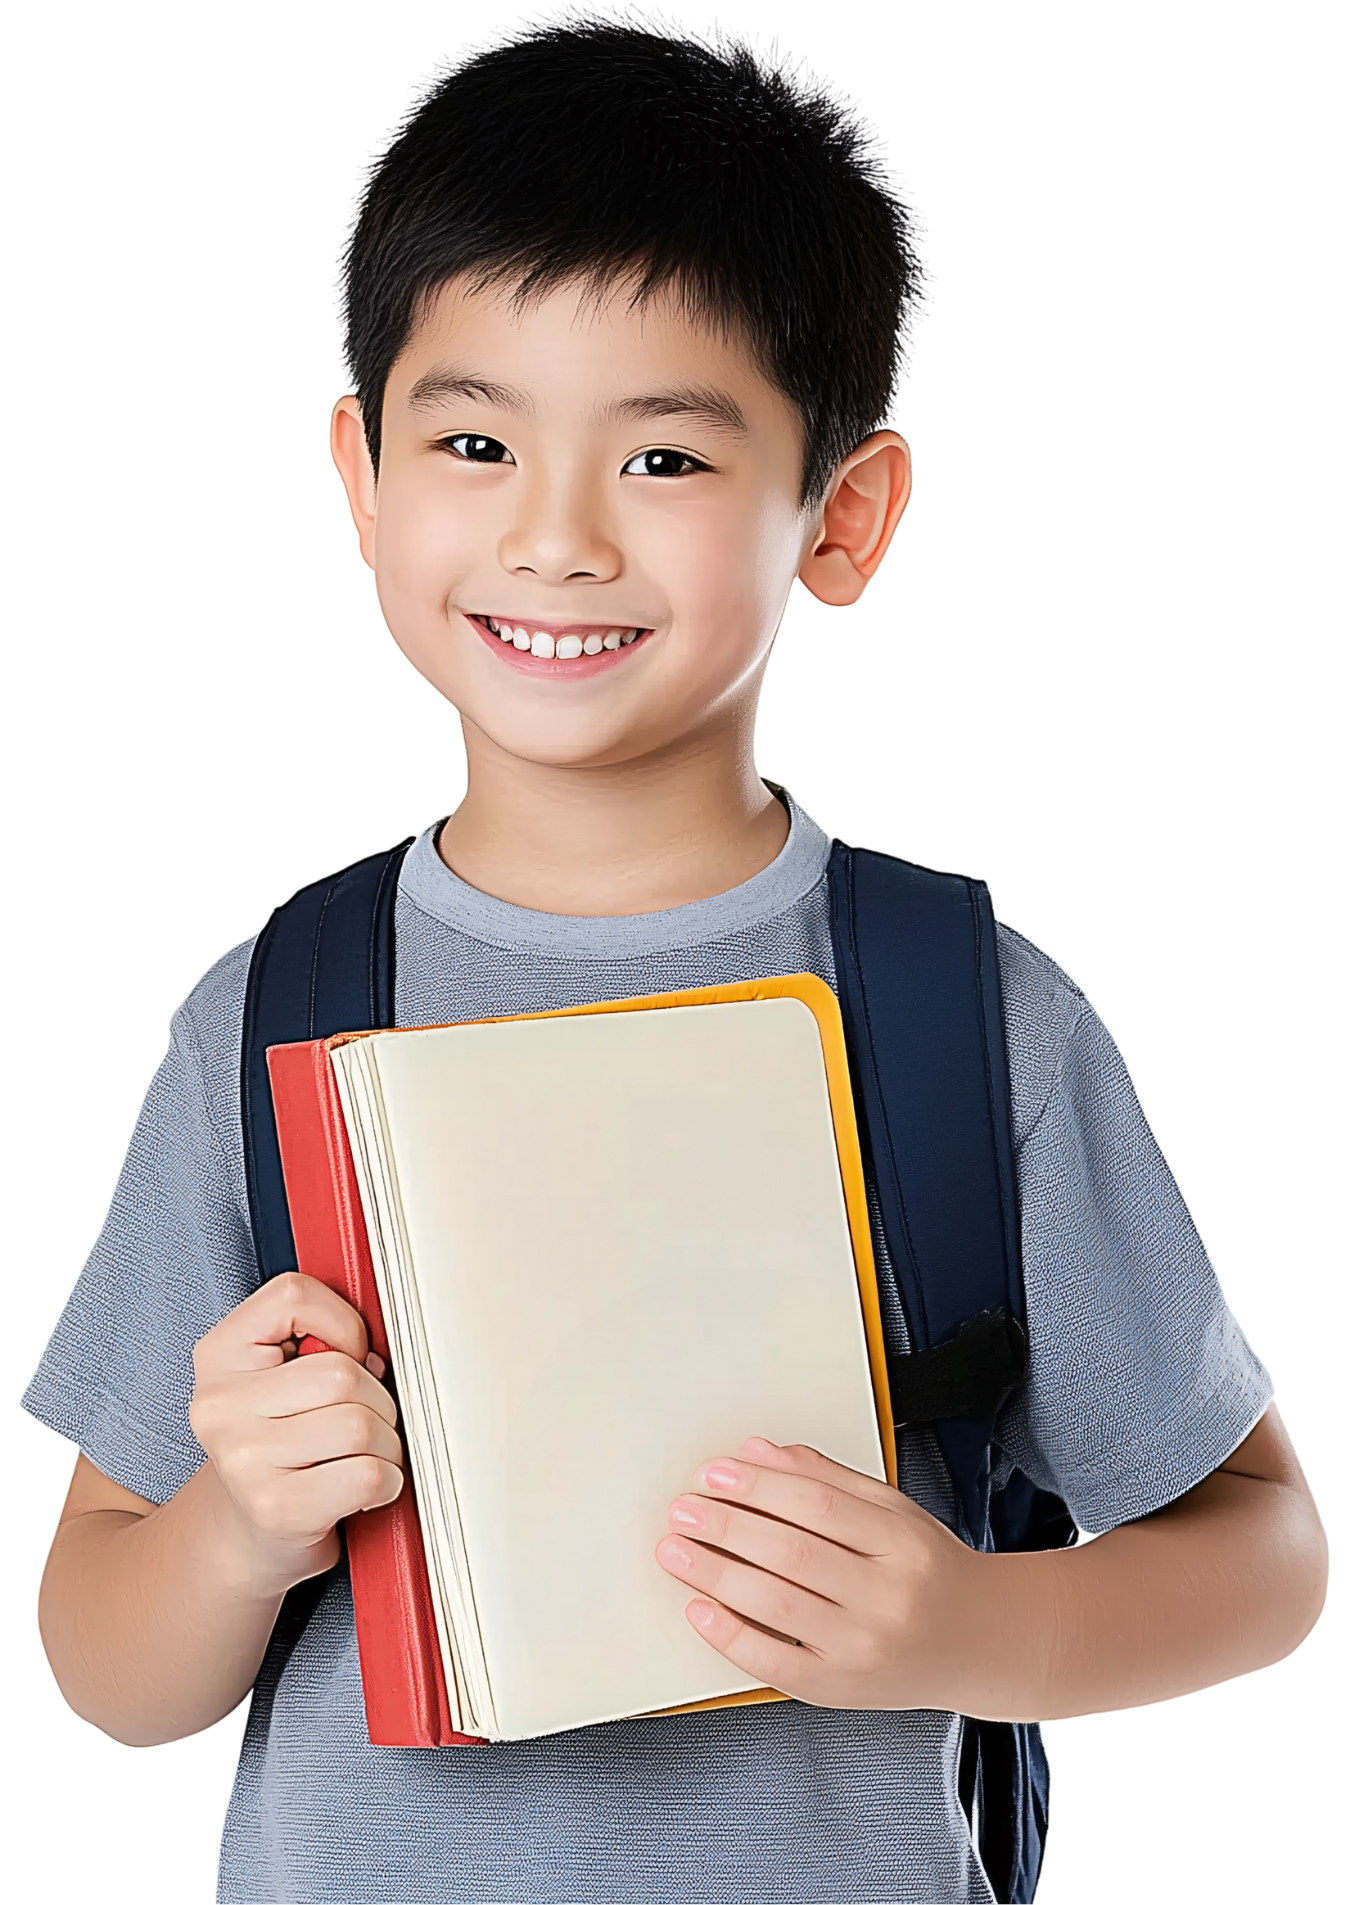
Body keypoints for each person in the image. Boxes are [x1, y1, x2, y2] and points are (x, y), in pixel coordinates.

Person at [23, 12, 1329, 1903]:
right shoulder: (267, 1018)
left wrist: (966, 1627)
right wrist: (236, 1527)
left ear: (848, 517)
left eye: (660, 457)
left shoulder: (967, 1019)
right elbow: (98, 1668)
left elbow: (1268, 1556)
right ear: (356, 477)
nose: (550, 538)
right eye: (472, 440)